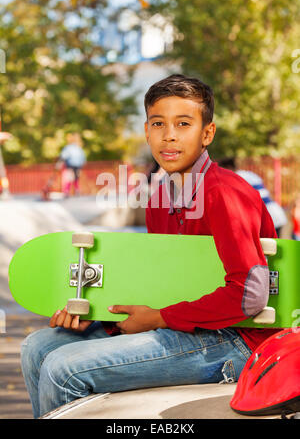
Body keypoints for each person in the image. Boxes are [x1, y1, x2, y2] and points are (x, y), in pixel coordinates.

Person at [21, 74, 280, 419]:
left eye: (183, 124)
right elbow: (161, 283)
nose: (169, 135)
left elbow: (250, 295)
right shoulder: (159, 198)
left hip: (237, 340)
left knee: (63, 368)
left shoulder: (225, 193)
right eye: (158, 123)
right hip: (181, 325)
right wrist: (100, 317)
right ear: (147, 131)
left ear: (207, 134)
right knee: (36, 347)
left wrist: (158, 317)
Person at [218, 157, 287, 237]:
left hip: (268, 217)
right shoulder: (249, 174)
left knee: (268, 247)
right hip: (275, 212)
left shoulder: (236, 177)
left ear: (228, 168)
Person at [56, 132, 86, 197]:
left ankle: (67, 191)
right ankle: (77, 190)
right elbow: (83, 158)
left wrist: (59, 163)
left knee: (69, 178)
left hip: (70, 165)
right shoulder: (79, 148)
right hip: (78, 166)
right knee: (76, 178)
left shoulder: (68, 148)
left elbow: (64, 156)